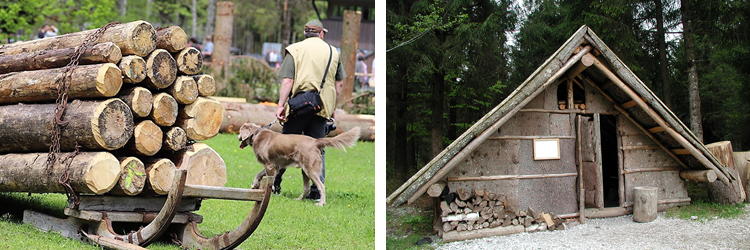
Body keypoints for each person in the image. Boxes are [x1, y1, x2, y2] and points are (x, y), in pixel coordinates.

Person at [273, 20, 346, 200]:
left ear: (305, 34)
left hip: (298, 105)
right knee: (317, 147)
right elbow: (340, 83)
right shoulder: (333, 52)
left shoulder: (295, 49)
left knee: (283, 146)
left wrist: (281, 105)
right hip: (321, 106)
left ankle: (274, 185)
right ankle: (316, 191)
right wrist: (333, 108)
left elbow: (287, 81)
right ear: (321, 34)